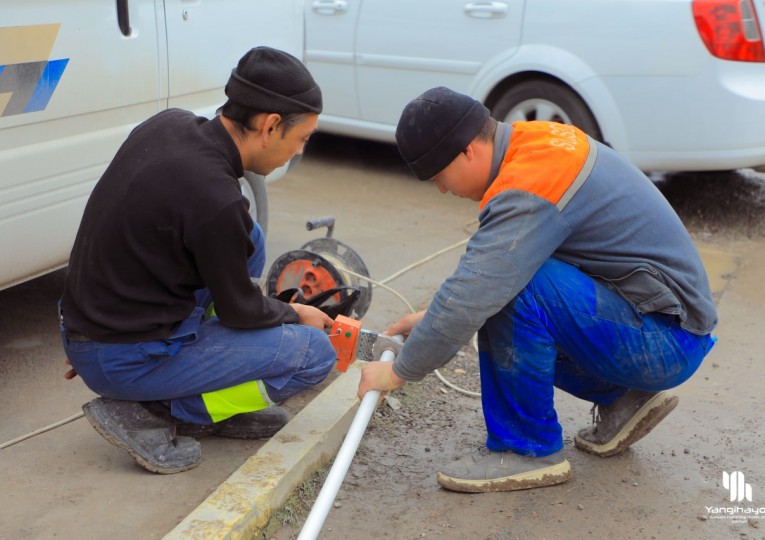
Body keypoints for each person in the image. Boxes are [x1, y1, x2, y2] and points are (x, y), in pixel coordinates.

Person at [357, 86, 717, 493]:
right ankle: (623, 399)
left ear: (467, 152)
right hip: (665, 325)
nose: (442, 189)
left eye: (439, 176)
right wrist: (431, 323)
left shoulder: (526, 185)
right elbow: (490, 286)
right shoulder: (535, 141)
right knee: (506, 285)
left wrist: (397, 372)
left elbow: (479, 287)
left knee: (512, 288)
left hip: (663, 341)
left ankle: (526, 449)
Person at [59, 47, 337, 474]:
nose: (297, 153)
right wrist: (295, 313)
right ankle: (161, 409)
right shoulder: (216, 200)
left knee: (251, 239)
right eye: (301, 140)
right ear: (270, 126)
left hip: (92, 330)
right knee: (313, 355)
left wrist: (91, 320)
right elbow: (242, 311)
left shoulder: (168, 125)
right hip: (121, 354)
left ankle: (187, 374)